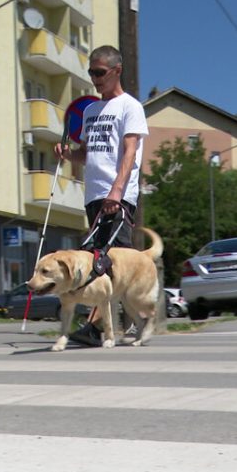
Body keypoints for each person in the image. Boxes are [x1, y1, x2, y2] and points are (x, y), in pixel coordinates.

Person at [54, 45, 149, 346]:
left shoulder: (130, 107)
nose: (94, 78)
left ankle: (105, 326)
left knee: (110, 262)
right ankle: (127, 322)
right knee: (99, 259)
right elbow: (88, 154)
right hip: (93, 195)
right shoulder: (92, 110)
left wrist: (117, 192)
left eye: (100, 72)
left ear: (116, 71)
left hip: (117, 195)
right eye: (91, 73)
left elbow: (130, 152)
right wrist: (68, 154)